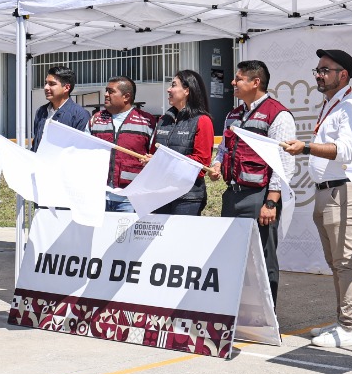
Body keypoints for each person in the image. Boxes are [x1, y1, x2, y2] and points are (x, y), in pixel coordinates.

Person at [282, 49, 352, 348]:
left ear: (342, 75)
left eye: (325, 70)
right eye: (317, 70)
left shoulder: (351, 108)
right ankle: (342, 323)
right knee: (336, 264)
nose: (318, 75)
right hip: (326, 192)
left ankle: (349, 329)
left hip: (343, 190)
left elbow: (343, 152)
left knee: (345, 263)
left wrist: (305, 148)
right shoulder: (332, 105)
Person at [207, 60, 294, 302]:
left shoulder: (278, 115)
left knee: (263, 260)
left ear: (255, 82)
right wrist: (216, 164)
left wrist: (271, 202)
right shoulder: (233, 114)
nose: (233, 83)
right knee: (232, 259)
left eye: (239, 78)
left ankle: (266, 319)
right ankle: (236, 314)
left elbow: (283, 163)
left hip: (259, 198)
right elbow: (224, 148)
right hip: (232, 195)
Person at [146, 69, 215, 215]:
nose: (168, 89)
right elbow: (154, 153)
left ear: (187, 90)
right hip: (160, 193)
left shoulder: (202, 120)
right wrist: (150, 160)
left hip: (187, 197)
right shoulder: (164, 119)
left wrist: (163, 162)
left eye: (173, 85)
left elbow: (201, 163)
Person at [87, 76, 158, 212]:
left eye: (111, 91)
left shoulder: (147, 121)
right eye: (106, 91)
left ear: (126, 96)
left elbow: (155, 157)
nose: (106, 94)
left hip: (131, 199)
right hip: (99, 197)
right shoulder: (95, 120)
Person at [30, 66, 91, 150]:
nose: (46, 87)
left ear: (66, 88)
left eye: (52, 84)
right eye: (46, 83)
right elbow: (36, 144)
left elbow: (81, 149)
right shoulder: (41, 111)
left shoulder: (80, 115)